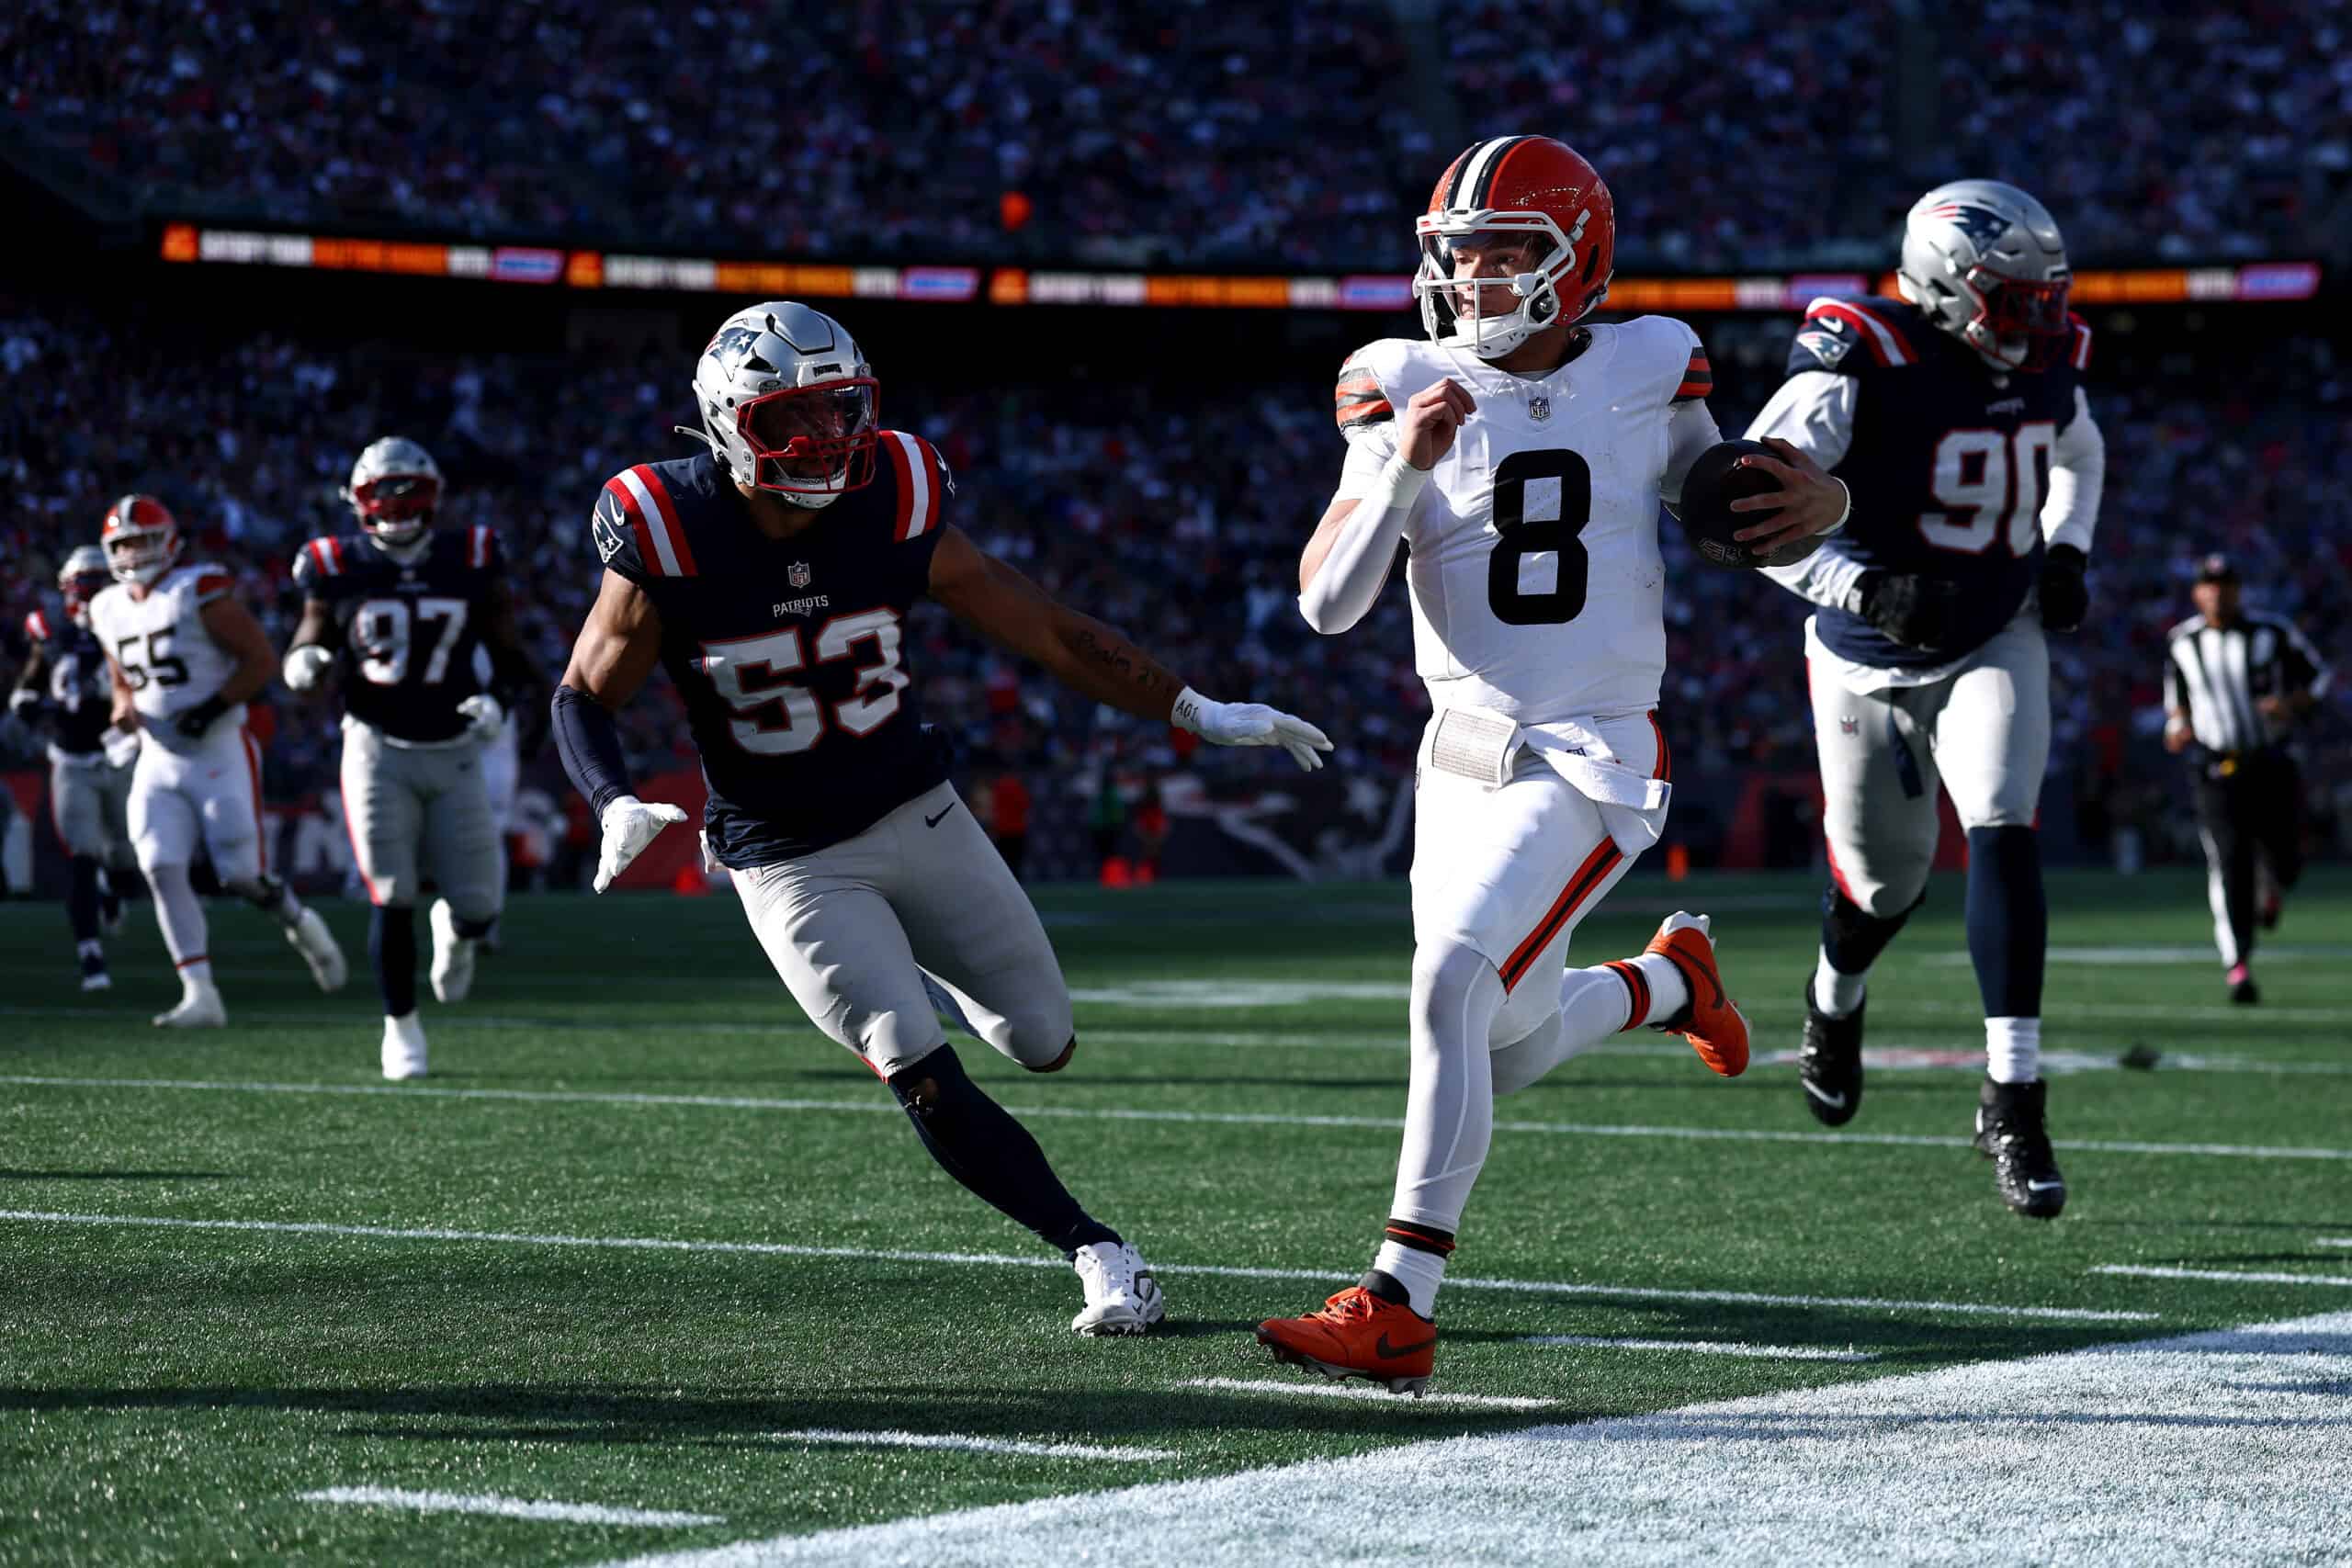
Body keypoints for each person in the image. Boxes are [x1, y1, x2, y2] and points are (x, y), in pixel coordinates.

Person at [550, 301, 1331, 1336]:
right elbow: (582, 695)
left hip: (919, 812)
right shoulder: (667, 522)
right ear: (731, 422)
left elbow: (1041, 624)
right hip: (789, 862)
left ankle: (914, 969)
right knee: (906, 1048)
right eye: (799, 418)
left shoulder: (897, 492)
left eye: (844, 411)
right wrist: (610, 801)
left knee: (1043, 1039)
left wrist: (1191, 707)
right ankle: (1098, 1250)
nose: (830, 441)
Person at [1258, 136, 1849, 1395]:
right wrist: (1409, 462)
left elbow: (1722, 500)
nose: (1475, 275)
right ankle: (1666, 984)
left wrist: (1825, 505)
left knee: (1448, 982)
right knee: (1504, 1041)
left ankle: (1400, 1298)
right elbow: (1326, 605)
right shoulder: (1396, 377)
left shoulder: (1651, 362)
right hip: (1459, 751)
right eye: (1460, 250)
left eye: (1509, 248)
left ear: (1580, 260)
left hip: (1591, 750)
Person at [1741, 179, 2105, 1219]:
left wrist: (2068, 548)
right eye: (2013, 296)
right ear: (1945, 284)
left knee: (2002, 824)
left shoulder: (2049, 363)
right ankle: (1833, 999)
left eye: (2047, 296)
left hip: (1996, 627)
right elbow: (1738, 506)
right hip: (1862, 651)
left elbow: (2078, 446)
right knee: (1881, 886)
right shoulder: (1864, 354)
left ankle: (2013, 1096)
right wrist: (1857, 583)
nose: (2037, 320)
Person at [285, 438, 544, 1078]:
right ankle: (401, 1028)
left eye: (410, 493)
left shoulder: (472, 557)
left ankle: (455, 929)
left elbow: (511, 655)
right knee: (389, 891)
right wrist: (304, 660)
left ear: (434, 500)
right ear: (358, 503)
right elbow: (314, 626)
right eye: (383, 495)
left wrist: (500, 702)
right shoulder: (334, 564)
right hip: (377, 748)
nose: (397, 508)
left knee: (482, 904)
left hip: (456, 749)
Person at [88, 494, 348, 1025]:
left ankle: (297, 920)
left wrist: (212, 708)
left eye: (142, 540)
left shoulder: (198, 590)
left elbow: (261, 659)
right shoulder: (105, 606)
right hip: (157, 757)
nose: (134, 553)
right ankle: (199, 992)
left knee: (241, 875)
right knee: (159, 864)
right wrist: (122, 709)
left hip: (218, 751)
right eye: (124, 544)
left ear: (167, 542)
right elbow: (121, 677)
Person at [2164, 553, 2331, 1003]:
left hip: (2271, 762)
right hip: (2216, 768)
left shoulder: (2272, 633)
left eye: (2226, 585)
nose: (2218, 593)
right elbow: (2177, 698)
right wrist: (2177, 726)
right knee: (2229, 859)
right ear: (2197, 592)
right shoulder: (2182, 642)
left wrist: (2289, 704)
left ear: (2239, 590)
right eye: (2209, 585)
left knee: (2287, 858)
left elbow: (2319, 679)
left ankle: (2273, 884)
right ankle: (2237, 962)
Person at [9, 546, 139, 988]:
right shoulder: (51, 631)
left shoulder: (129, 626)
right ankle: (91, 956)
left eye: (99, 582)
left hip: (119, 751)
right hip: (70, 758)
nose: (92, 592)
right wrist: (26, 697)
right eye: (85, 583)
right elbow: (36, 672)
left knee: (125, 857)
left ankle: (113, 892)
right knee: (81, 856)